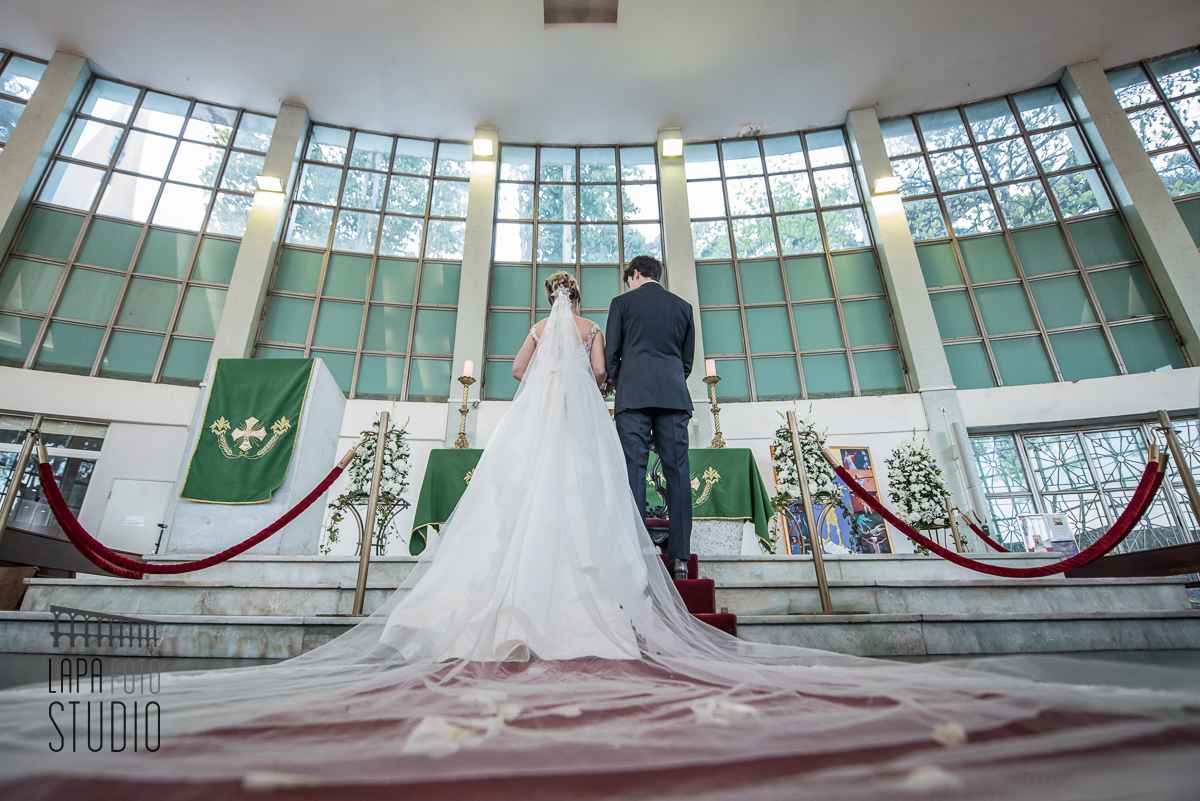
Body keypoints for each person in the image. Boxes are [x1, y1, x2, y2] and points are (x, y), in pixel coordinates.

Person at [0, 271, 1198, 798]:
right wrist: (602, 362)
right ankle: (630, 574)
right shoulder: (626, 321)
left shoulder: (558, 336)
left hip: (568, 429)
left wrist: (566, 357)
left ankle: (518, 594)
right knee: (609, 497)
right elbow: (591, 366)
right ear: (613, 294)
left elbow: (540, 365)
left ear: (564, 299)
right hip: (621, 418)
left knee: (526, 507)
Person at [604, 255, 696, 579]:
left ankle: (636, 551)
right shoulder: (684, 307)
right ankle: (680, 559)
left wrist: (622, 379)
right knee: (678, 474)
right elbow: (687, 362)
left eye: (628, 278)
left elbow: (610, 355)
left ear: (636, 274)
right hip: (673, 396)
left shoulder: (621, 304)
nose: (627, 284)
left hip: (633, 398)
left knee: (634, 470)